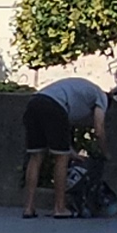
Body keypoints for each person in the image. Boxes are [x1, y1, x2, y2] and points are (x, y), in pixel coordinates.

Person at [20, 86, 77, 217]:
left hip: (34, 102)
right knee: (61, 157)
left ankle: (28, 208)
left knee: (35, 156)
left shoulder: (76, 87)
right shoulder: (100, 98)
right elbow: (99, 127)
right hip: (54, 106)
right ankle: (60, 208)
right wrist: (105, 152)